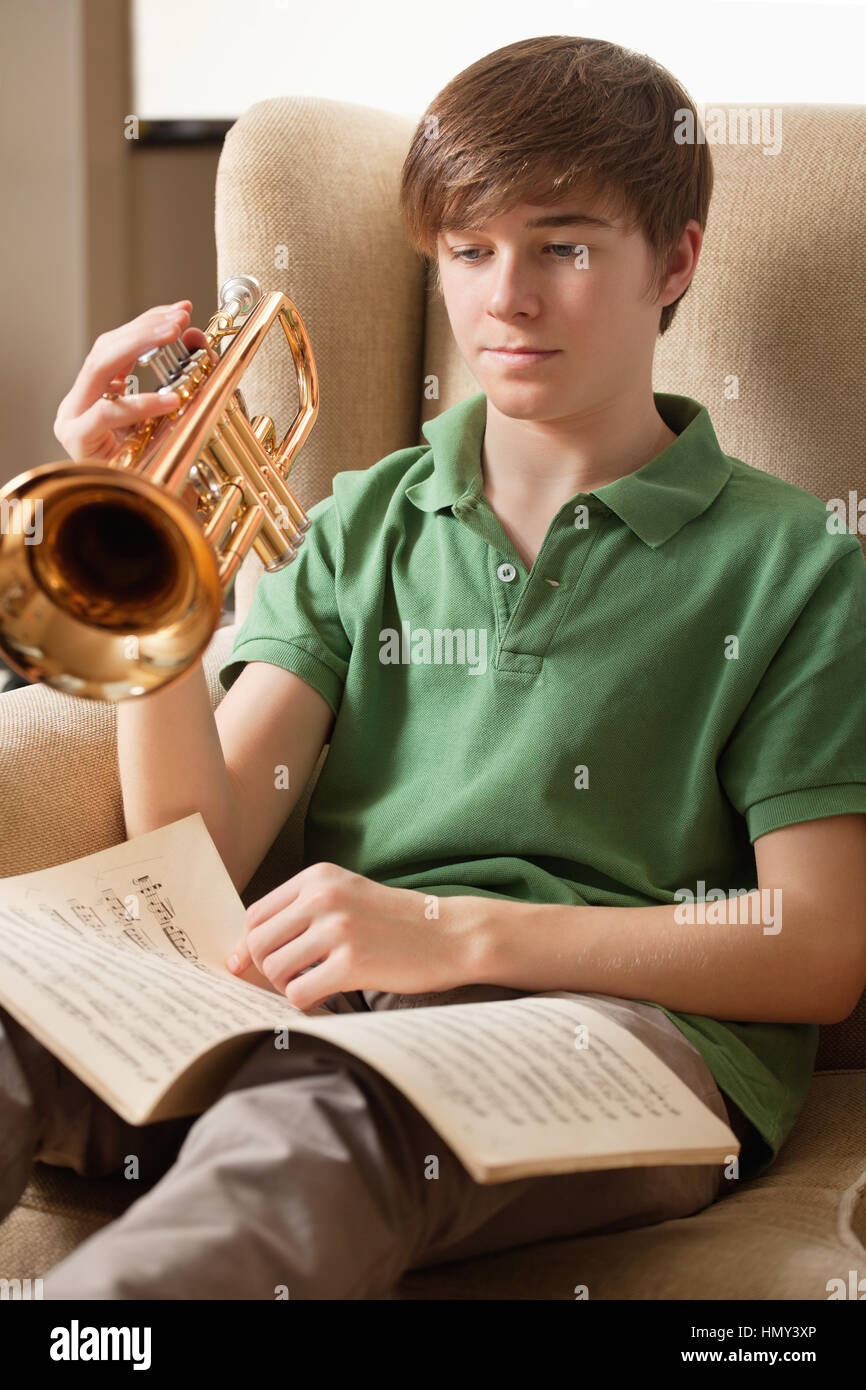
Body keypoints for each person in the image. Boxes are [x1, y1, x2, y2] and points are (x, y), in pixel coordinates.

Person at [3, 34, 865, 1301]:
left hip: (622, 1043)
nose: (503, 297)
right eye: (468, 251)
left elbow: (814, 944)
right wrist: (152, 546)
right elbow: (199, 846)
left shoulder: (796, 561)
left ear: (673, 260)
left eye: (562, 246)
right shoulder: (365, 519)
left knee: (314, 1128)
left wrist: (447, 934)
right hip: (323, 1007)